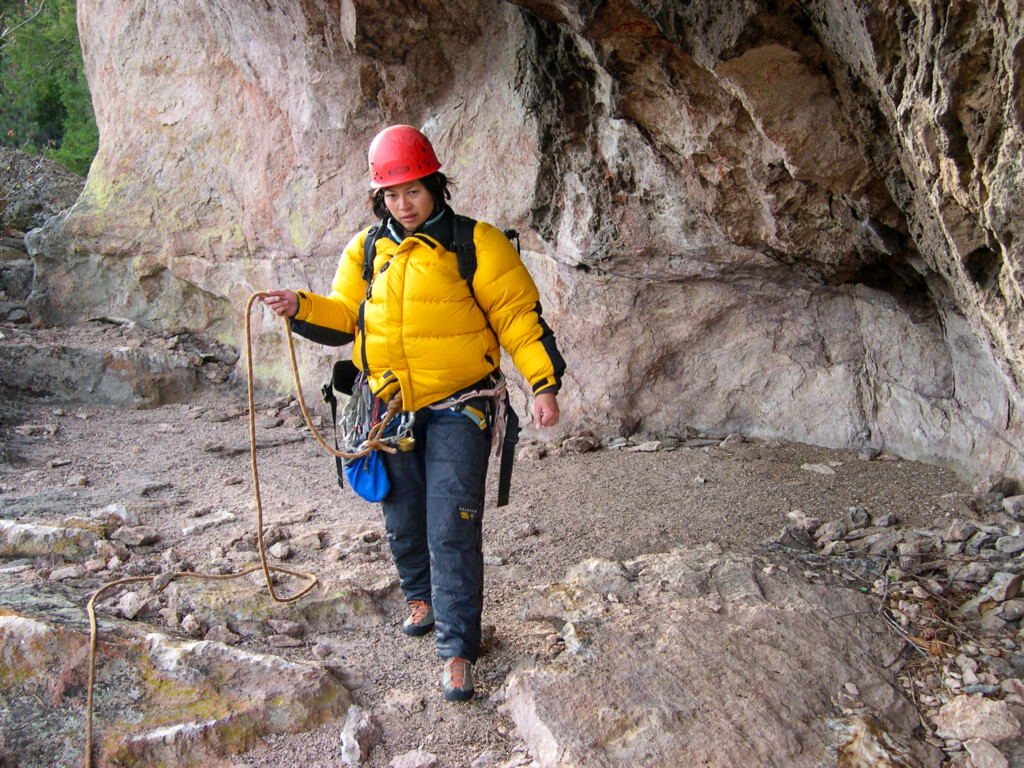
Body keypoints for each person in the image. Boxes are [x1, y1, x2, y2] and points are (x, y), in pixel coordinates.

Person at [262, 124, 565, 701]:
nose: (402, 205)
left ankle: (457, 648)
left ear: (436, 186)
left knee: (452, 522)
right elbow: (345, 316)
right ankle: (418, 597)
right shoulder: (368, 249)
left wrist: (543, 384)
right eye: (391, 196)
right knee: (400, 513)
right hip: (389, 406)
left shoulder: (476, 244)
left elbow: (518, 317)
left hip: (462, 404)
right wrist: (299, 306)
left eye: (413, 192)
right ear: (379, 198)